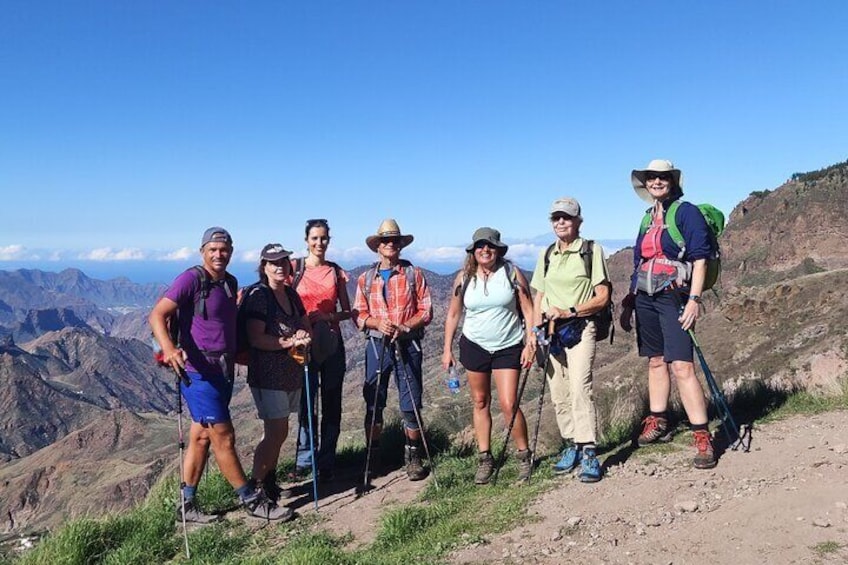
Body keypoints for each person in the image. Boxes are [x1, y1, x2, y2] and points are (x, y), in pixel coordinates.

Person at [149, 227, 291, 522]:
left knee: (201, 437)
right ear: (202, 251)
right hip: (197, 373)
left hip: (223, 372)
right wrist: (170, 349)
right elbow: (157, 314)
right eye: (212, 249)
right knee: (224, 437)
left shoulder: (230, 282)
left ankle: (186, 505)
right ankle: (251, 500)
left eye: (223, 249)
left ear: (231, 252)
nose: (218, 254)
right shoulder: (190, 279)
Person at [619, 159, 717, 469]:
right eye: (652, 177)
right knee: (656, 360)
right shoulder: (647, 218)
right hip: (646, 296)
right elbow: (639, 261)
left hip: (673, 296)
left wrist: (694, 300)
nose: (657, 181)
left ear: (672, 181)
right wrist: (630, 300)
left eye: (663, 177)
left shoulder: (685, 212)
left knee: (682, 366)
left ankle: (702, 435)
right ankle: (658, 420)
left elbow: (700, 258)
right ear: (645, 184)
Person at [442, 227, 536, 485]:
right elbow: (453, 314)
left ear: (498, 250)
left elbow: (528, 310)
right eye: (481, 246)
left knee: (509, 404)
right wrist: (447, 348)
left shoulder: (511, 273)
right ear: (473, 251)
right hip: (474, 345)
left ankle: (524, 456)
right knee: (480, 401)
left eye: (490, 246)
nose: (485, 250)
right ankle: (485, 458)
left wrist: (531, 341)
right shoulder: (463, 278)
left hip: (508, 345)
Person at [531, 198, 611, 483]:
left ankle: (589, 450)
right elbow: (538, 295)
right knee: (559, 391)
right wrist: (533, 332)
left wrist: (570, 311)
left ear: (578, 221)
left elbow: (602, 296)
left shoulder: (591, 250)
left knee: (579, 387)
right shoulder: (547, 254)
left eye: (566, 217)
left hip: (579, 326)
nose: (561, 222)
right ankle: (571, 445)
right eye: (556, 218)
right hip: (550, 331)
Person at [353, 219, 433, 481]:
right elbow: (359, 315)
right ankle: (372, 456)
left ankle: (413, 455)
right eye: (385, 240)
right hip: (377, 345)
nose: (390, 244)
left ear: (400, 245)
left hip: (408, 343)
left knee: (410, 404)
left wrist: (405, 326)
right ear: (377, 246)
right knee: (374, 403)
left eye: (394, 240)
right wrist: (377, 322)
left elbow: (426, 310)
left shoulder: (413, 274)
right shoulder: (366, 279)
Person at [241, 243, 311, 513]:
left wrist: (305, 336)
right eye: (273, 263)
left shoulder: (291, 295)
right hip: (267, 375)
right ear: (264, 267)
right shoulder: (260, 295)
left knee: (279, 433)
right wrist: (289, 341)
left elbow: (304, 324)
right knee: (275, 432)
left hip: (290, 373)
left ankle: (268, 480)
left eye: (284, 262)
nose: (280, 267)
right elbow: (256, 337)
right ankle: (256, 487)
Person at [289, 219, 354, 484]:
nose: (319, 243)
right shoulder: (294, 268)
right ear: (306, 240)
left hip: (331, 344)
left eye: (324, 238)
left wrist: (325, 317)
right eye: (314, 238)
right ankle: (306, 460)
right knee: (306, 403)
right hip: (302, 345)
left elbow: (348, 312)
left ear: (329, 240)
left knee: (331, 402)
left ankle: (326, 461)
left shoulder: (336, 272)